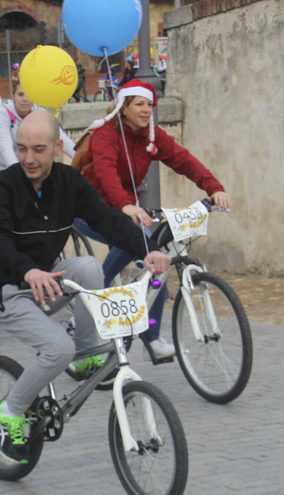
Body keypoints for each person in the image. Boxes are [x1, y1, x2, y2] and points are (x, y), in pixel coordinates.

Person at [0, 111, 172, 464]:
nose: (29, 159)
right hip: (5, 289)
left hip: (47, 282)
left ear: (56, 149)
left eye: (38, 149)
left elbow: (107, 220)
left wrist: (148, 250)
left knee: (87, 266)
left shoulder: (69, 181)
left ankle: (87, 355)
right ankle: (9, 410)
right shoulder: (3, 185)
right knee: (57, 349)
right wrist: (28, 271)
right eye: (21, 149)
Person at [75, 79, 230, 360]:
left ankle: (151, 333)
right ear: (123, 107)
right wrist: (125, 205)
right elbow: (107, 171)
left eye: (150, 105)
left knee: (156, 260)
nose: (147, 110)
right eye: (140, 104)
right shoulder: (105, 134)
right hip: (89, 209)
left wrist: (213, 187)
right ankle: (95, 299)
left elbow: (183, 159)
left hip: (123, 210)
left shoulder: (150, 136)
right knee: (142, 247)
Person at [0, 79, 75, 187]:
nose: (25, 99)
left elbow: (59, 136)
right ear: (14, 96)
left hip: (28, 168)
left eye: (28, 95)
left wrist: (79, 156)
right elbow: (5, 148)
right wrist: (20, 176)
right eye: (20, 94)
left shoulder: (39, 113)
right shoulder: (3, 115)